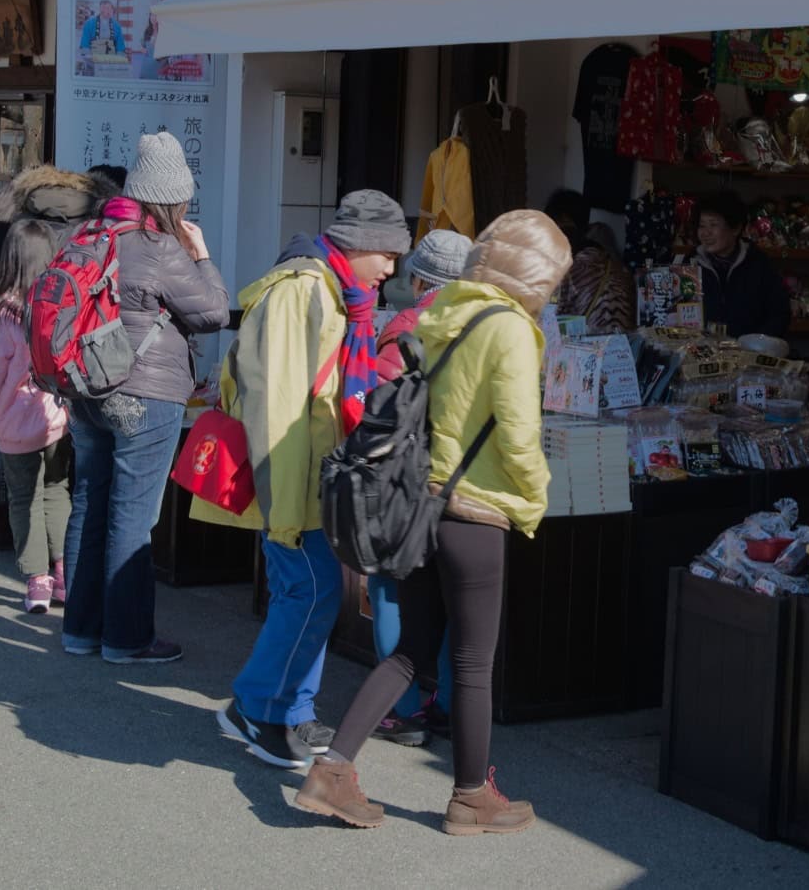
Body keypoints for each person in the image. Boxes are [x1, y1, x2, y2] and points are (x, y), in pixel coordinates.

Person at [298, 210, 572, 836]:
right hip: (477, 513)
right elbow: (519, 434)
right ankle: (472, 797)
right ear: (535, 275)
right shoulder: (511, 327)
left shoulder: (445, 310)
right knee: (472, 662)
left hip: (423, 502)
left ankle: (331, 770)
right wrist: (535, 498)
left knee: (409, 652)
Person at [205, 190, 411, 768]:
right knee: (312, 591)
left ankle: (292, 710)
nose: (391, 269)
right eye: (388, 254)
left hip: (314, 475)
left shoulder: (334, 289)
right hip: (294, 478)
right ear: (361, 244)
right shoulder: (303, 290)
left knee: (306, 592)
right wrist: (285, 505)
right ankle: (256, 708)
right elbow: (275, 405)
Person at [61, 133, 230, 664]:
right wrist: (202, 256)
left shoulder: (92, 233)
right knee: (132, 517)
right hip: (143, 394)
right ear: (175, 199)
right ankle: (127, 639)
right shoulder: (160, 249)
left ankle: (81, 631)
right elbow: (213, 312)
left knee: (89, 504)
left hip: (85, 387)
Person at [0, 163, 119, 546]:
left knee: (0, 427)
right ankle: (52, 538)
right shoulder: (96, 217)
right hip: (65, 333)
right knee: (56, 433)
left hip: (1, 320)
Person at [369, 229, 474, 747]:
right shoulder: (487, 326)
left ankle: (403, 708)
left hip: (409, 482)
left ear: (418, 281)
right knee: (453, 597)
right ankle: (449, 706)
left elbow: (381, 412)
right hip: (467, 484)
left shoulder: (407, 328)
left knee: (391, 589)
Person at [0, 221, 71, 614]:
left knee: (24, 498)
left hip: (16, 429)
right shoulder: (61, 304)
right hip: (58, 419)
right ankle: (64, 574)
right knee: (57, 491)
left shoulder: (2, 315)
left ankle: (37, 580)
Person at [692, 189, 790, 339]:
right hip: (701, 350)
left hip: (748, 350)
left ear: (736, 228)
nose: (705, 233)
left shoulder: (758, 264)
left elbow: (780, 314)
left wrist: (754, 343)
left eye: (713, 225)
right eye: (702, 225)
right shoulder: (689, 265)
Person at [545, 188, 635, 334]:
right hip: (624, 346)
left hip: (589, 346)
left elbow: (550, 323)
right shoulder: (617, 267)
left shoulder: (570, 271)